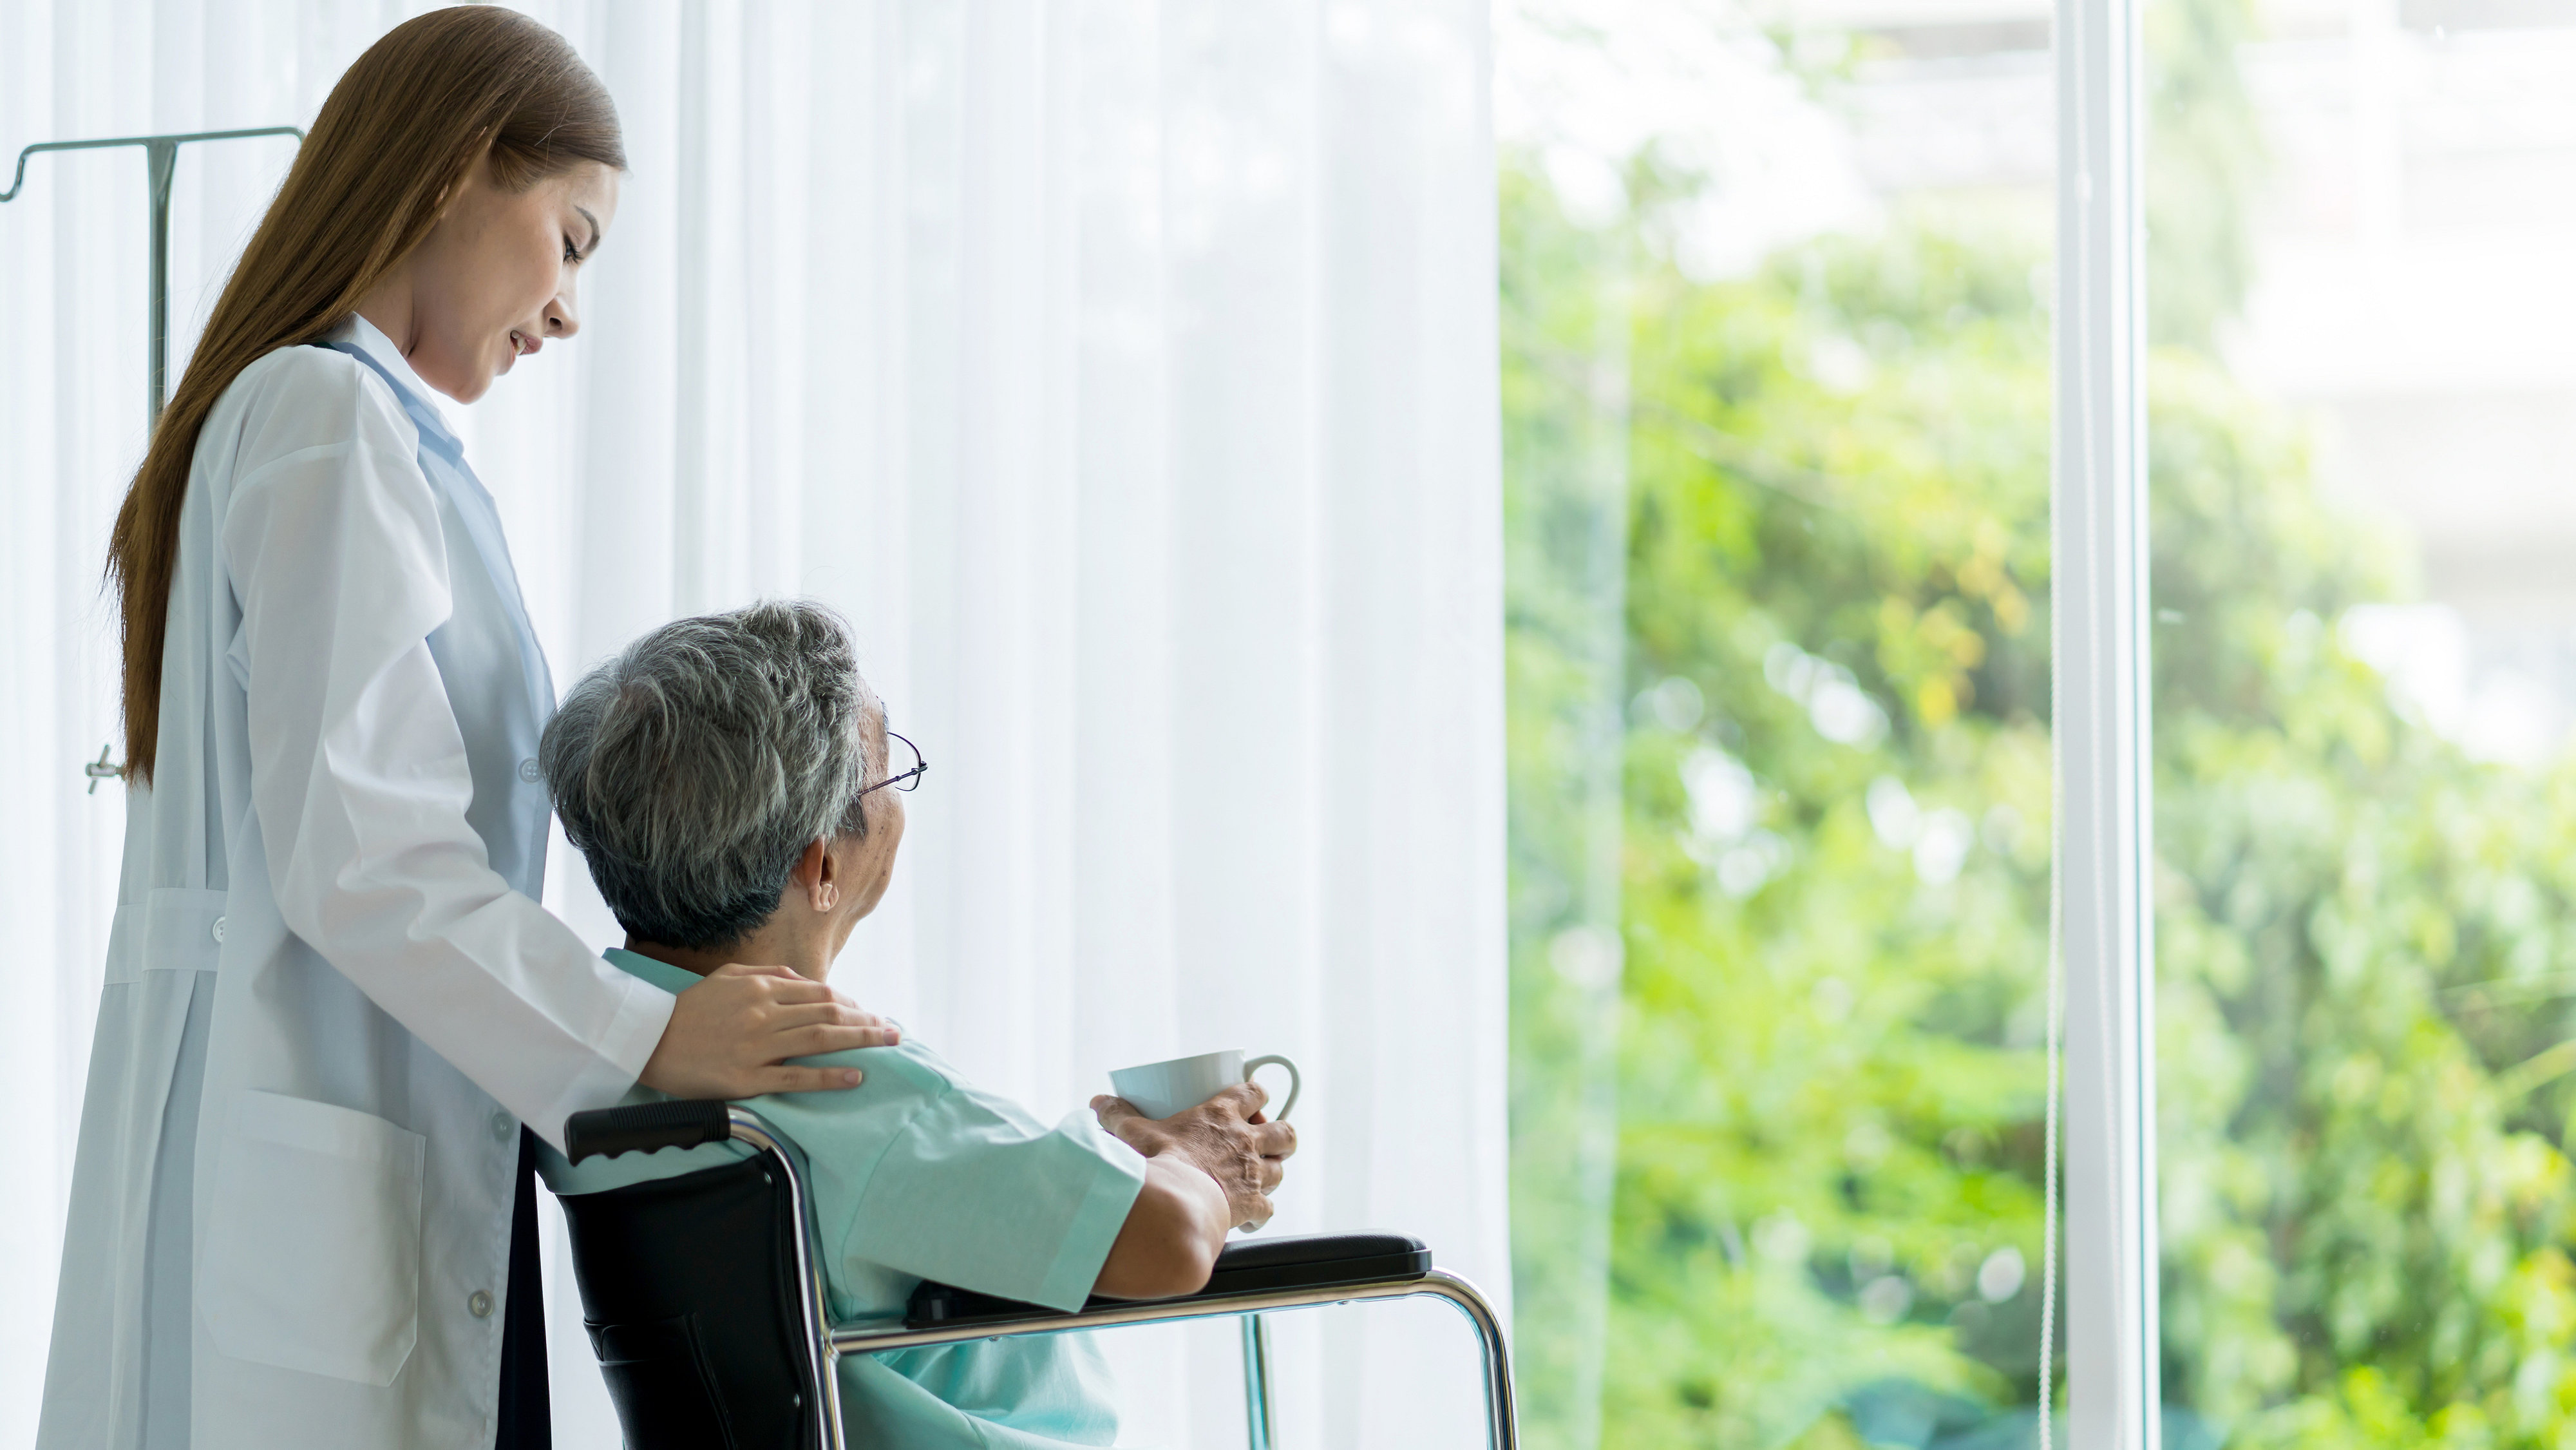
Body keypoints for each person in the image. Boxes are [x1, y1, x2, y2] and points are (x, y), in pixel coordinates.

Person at [38, 13, 901, 1450]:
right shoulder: (326, 418)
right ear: (453, 170)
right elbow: (364, 855)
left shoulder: (362, 435)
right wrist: (649, 1033)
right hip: (334, 1181)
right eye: (571, 240)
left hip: (396, 1154)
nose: (569, 311)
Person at [535, 600, 1298, 1448]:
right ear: (820, 862)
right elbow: (1170, 1238)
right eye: (888, 771)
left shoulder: (575, 1056)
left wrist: (1120, 1156)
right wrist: (1206, 1158)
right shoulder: (824, 1075)